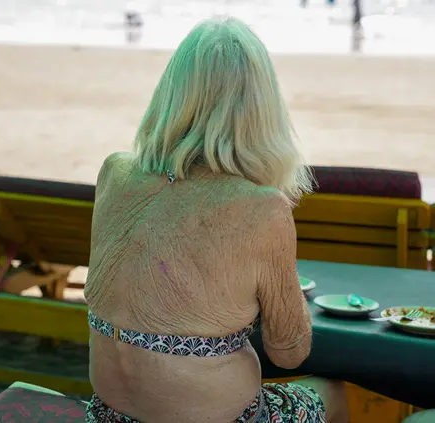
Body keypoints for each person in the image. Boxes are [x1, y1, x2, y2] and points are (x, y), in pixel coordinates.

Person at [83, 17, 348, 423]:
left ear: (171, 93)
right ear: (261, 108)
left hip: (108, 414)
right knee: (331, 392)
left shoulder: (115, 172)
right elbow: (290, 352)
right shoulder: (263, 208)